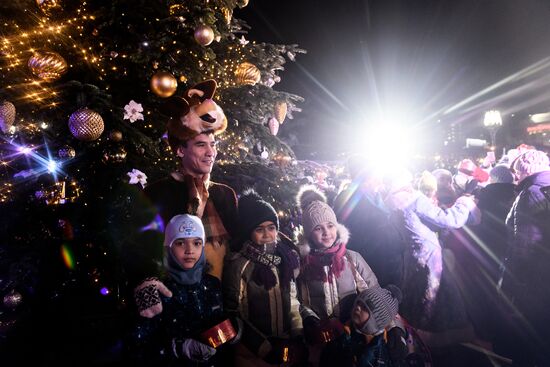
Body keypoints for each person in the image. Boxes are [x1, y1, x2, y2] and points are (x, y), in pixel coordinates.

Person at [125, 80, 239, 319]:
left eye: (213, 144)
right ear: (180, 150)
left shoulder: (225, 195)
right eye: (200, 145)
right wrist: (146, 286)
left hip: (221, 307)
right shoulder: (157, 194)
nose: (211, 152)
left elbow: (238, 249)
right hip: (174, 308)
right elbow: (139, 249)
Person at [127, 214, 241, 366]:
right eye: (180, 243)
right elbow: (138, 346)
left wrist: (232, 328)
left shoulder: (212, 284)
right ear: (168, 247)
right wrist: (179, 348)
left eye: (196, 243)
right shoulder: (155, 290)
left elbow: (219, 325)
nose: (190, 250)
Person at [222, 189, 306, 367]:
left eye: (271, 228)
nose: (267, 234)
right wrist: (262, 346)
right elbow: (233, 312)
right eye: (259, 229)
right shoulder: (240, 265)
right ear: (248, 231)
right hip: (252, 351)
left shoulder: (285, 260)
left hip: (284, 343)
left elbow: (292, 299)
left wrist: (297, 331)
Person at [499, 149, 550, 365]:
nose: (515, 177)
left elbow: (523, 246)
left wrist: (508, 283)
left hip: (533, 282)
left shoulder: (530, 193)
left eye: (517, 172)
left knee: (531, 341)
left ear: (524, 170)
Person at [319, 285, 409, 367]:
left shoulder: (385, 353)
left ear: (378, 320)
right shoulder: (339, 344)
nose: (358, 307)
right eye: (358, 303)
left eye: (365, 307)